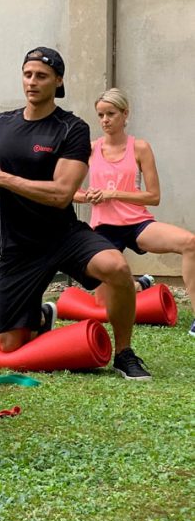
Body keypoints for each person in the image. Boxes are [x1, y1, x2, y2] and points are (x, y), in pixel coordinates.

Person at [0, 47, 151, 380]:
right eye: (27, 74)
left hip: (64, 236)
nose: (32, 82)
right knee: (9, 346)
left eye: (41, 76)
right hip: (19, 247)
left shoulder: (70, 128)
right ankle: (39, 318)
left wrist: (2, 177)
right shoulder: (2, 124)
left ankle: (124, 353)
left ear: (58, 80)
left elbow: (62, 194)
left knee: (117, 267)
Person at [74, 88, 195, 337]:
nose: (105, 120)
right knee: (103, 305)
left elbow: (154, 197)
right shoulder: (90, 149)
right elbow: (70, 189)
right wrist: (89, 196)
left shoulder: (140, 148)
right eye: (100, 115)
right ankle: (139, 285)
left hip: (138, 224)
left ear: (125, 114)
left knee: (190, 242)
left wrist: (112, 193)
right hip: (103, 229)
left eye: (111, 114)